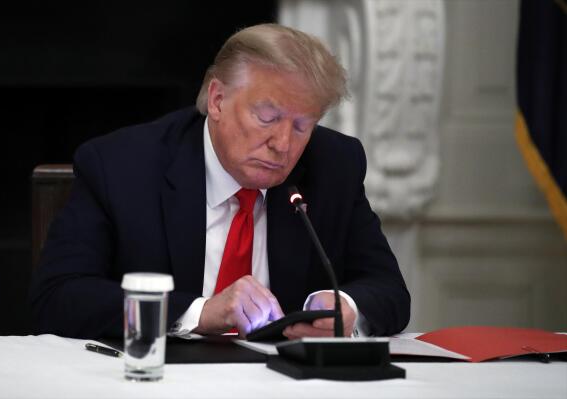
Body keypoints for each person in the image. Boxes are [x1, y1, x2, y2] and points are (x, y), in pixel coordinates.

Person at [30, 23, 410, 340]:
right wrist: (198, 312)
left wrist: (344, 308)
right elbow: (59, 297)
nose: (283, 144)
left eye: (301, 125)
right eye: (266, 117)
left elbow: (389, 290)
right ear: (217, 99)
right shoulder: (122, 165)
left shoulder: (334, 165)